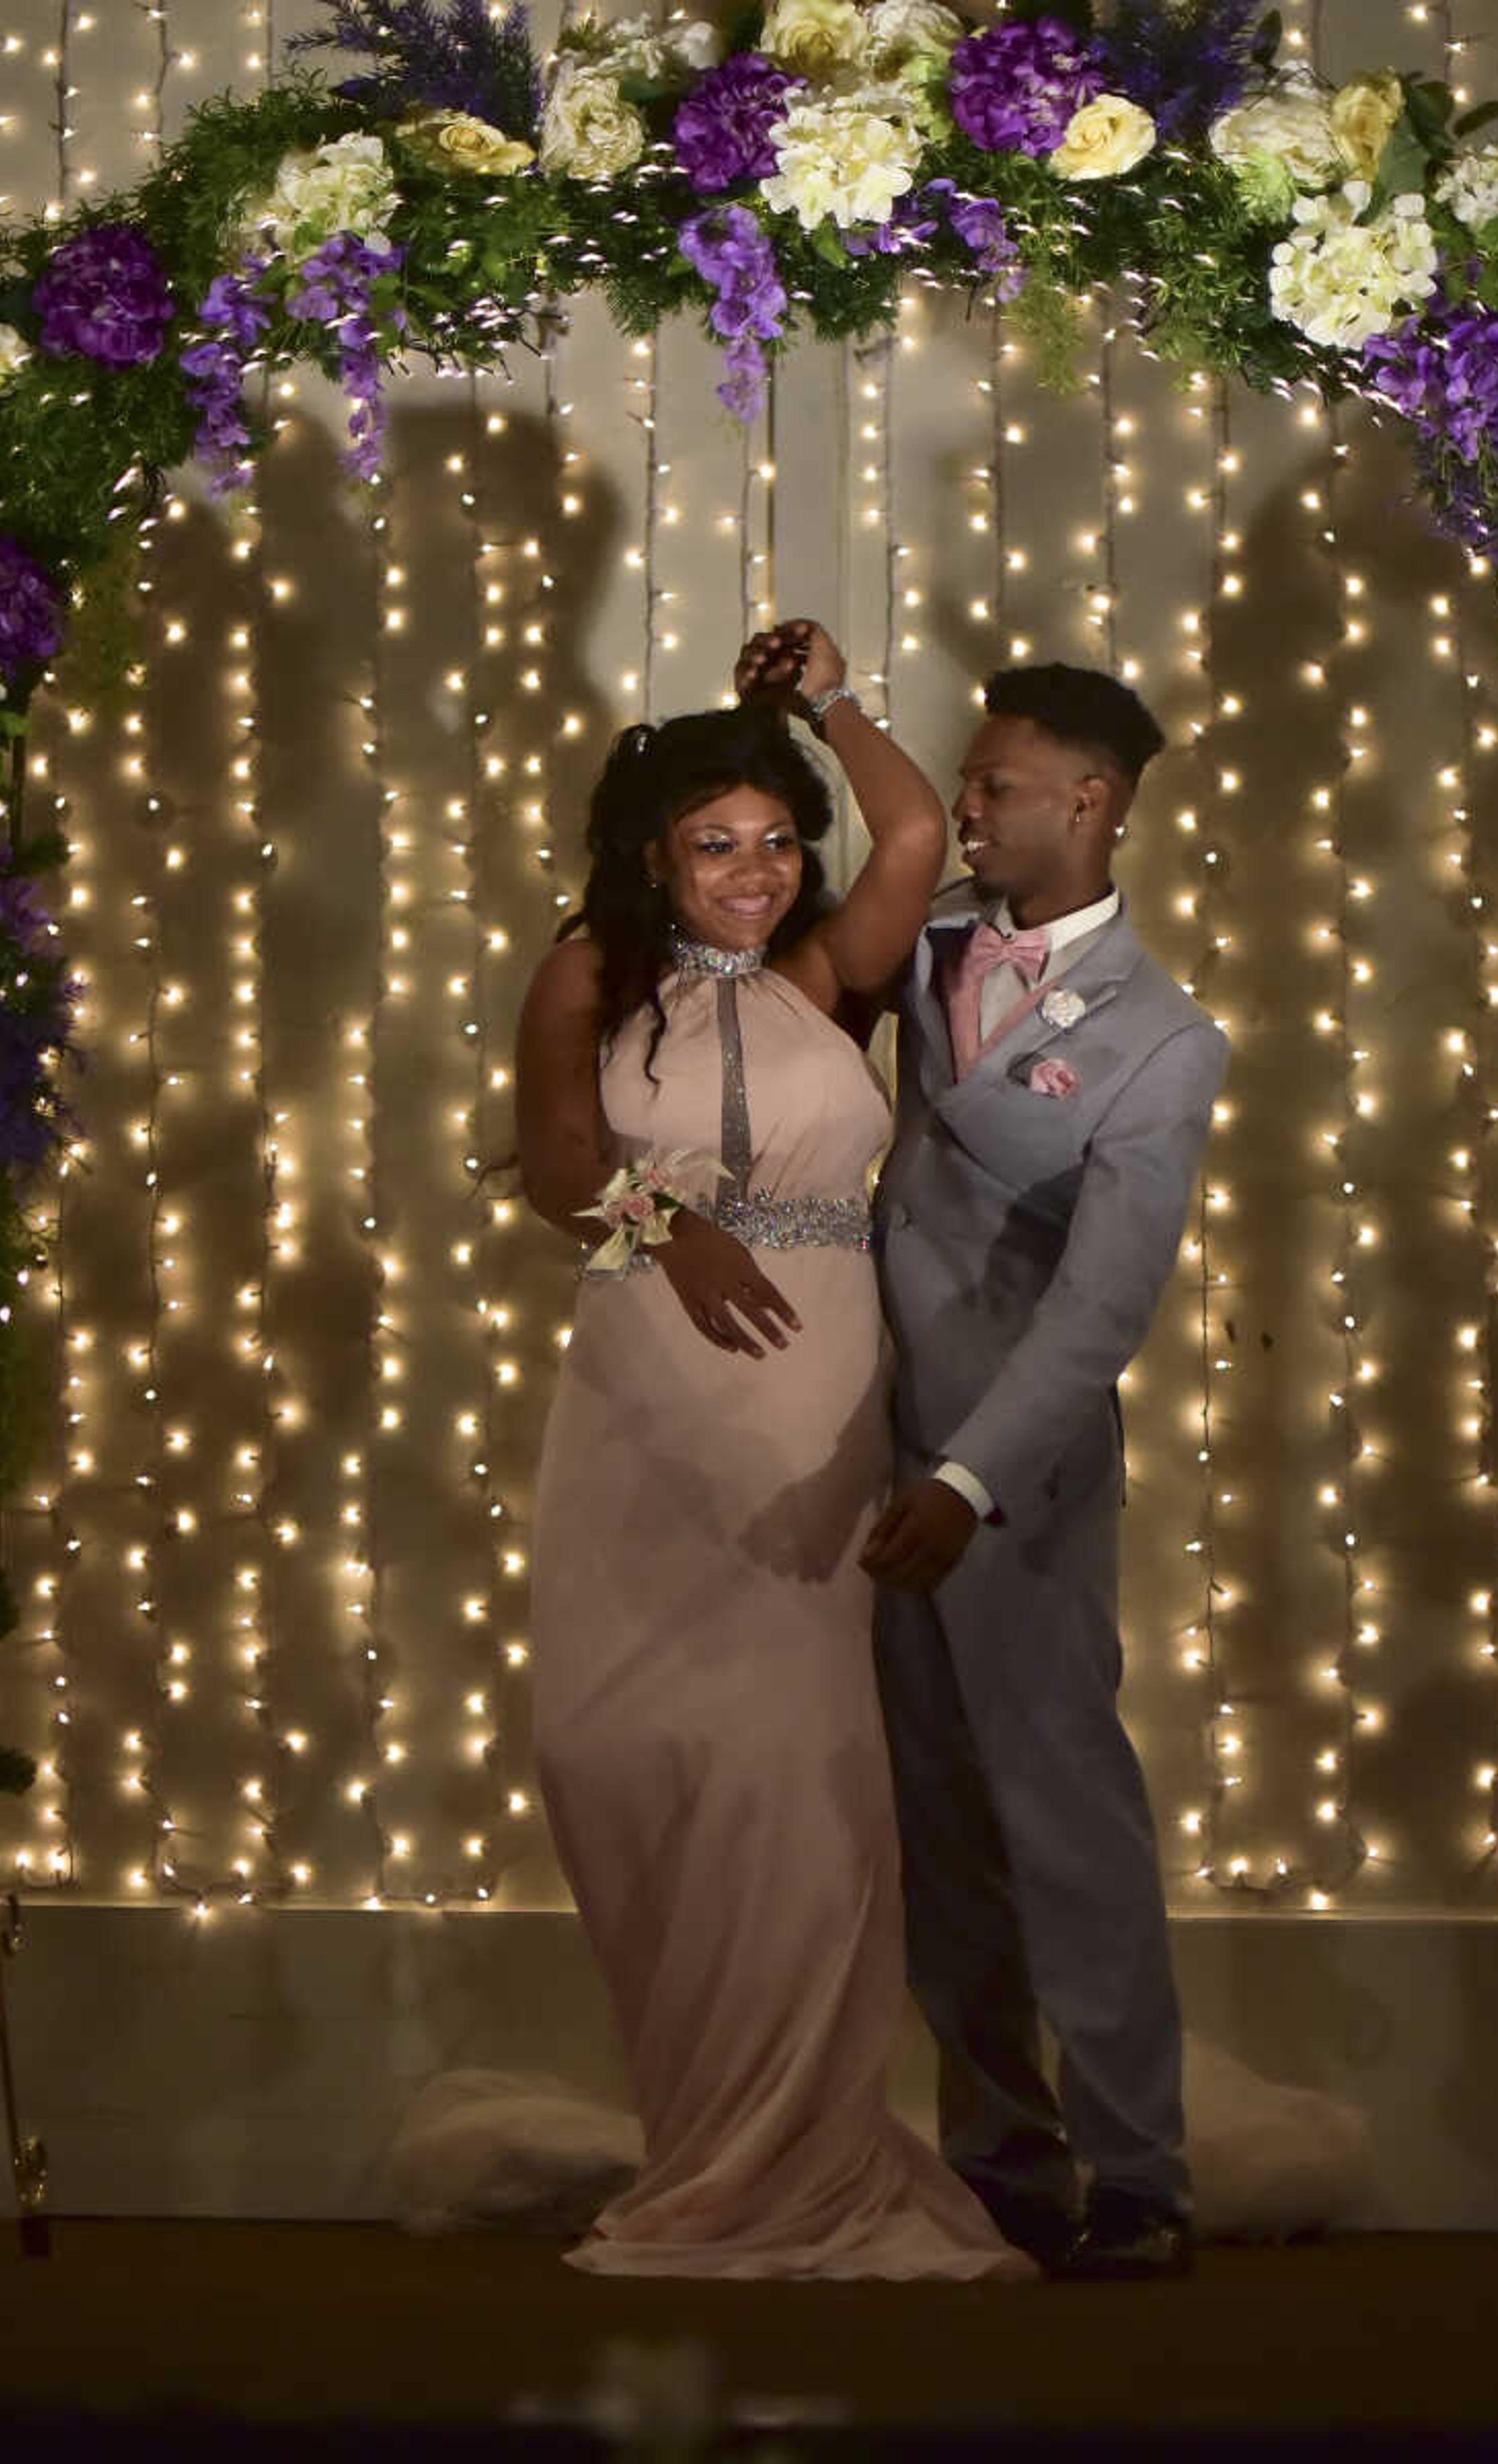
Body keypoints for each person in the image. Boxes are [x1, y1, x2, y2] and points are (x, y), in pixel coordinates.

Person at [515, 620, 1028, 2280]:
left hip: (819, 1395)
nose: (753, 869)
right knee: (631, 1758)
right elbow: (554, 1170)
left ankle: (799, 2147)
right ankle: (701, 2132)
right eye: (713, 844)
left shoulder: (830, 973)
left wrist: (826, 701)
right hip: (648, 1405)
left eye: (771, 838)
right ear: (651, 858)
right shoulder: (591, 973)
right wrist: (665, 1230)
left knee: (796, 1785)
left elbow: (915, 838)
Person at [863, 664, 1228, 2281]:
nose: (969, 807)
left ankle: (1141, 2173)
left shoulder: (1167, 1044)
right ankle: (1003, 2159)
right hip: (865, 1463)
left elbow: (1101, 1311)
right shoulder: (923, 938)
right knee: (936, 1825)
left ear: (1092, 803)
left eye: (996, 785)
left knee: (1067, 1821)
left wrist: (969, 1475)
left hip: (1012, 1481)